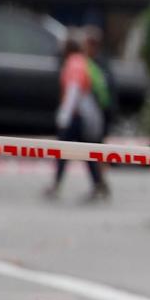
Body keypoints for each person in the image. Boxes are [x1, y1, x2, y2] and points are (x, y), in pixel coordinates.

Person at [47, 32, 109, 201]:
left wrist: (64, 116)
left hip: (76, 116)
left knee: (64, 151)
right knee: (85, 152)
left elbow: (73, 90)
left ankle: (57, 185)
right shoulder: (82, 61)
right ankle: (98, 184)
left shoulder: (73, 63)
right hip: (85, 115)